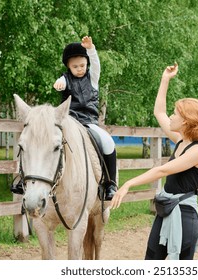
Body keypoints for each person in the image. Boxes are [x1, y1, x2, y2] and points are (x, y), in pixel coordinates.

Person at [110, 63, 198, 260]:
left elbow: (162, 171)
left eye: (176, 114)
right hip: (166, 211)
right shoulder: (181, 140)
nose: (171, 116)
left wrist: (129, 183)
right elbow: (159, 113)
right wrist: (165, 80)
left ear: (185, 121)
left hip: (184, 215)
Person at [54, 36, 117, 200]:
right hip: (70, 121)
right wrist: (59, 83)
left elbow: (96, 64)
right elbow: (61, 81)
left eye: (82, 65)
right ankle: (25, 180)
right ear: (68, 66)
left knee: (108, 141)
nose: (80, 69)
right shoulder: (65, 80)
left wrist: (91, 49)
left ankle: (110, 183)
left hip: (89, 122)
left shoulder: (93, 78)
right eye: (75, 66)